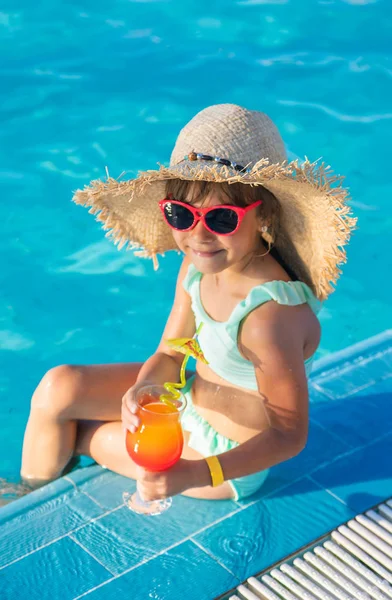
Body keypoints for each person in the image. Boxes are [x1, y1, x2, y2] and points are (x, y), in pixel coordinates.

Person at [20, 104, 356, 502]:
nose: (199, 236)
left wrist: (194, 474)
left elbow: (288, 436)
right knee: (58, 388)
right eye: (181, 215)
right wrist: (144, 386)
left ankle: (29, 511)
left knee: (79, 434)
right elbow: (170, 352)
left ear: (262, 214)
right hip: (185, 401)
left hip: (223, 458)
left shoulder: (268, 319)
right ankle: (21, 498)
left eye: (221, 219)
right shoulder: (197, 266)